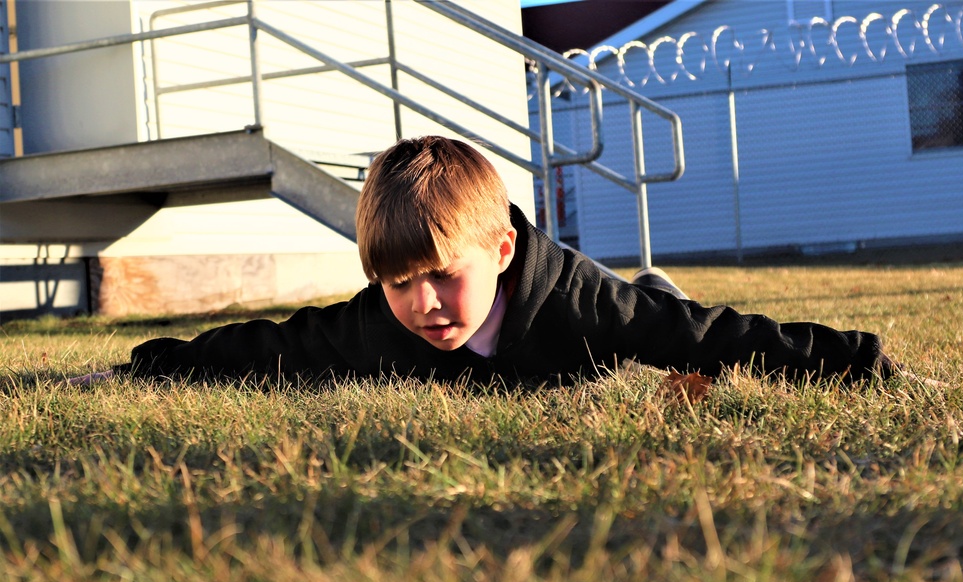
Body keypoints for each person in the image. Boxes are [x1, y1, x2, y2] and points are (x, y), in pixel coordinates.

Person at [85, 136, 894, 386]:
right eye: (398, 282)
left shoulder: (576, 303)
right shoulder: (380, 327)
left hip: (613, 312)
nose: (423, 300)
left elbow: (713, 338)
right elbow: (274, 348)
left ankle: (652, 276)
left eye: (441, 273)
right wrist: (137, 370)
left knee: (659, 315)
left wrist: (867, 363)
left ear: (501, 249)